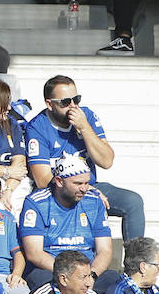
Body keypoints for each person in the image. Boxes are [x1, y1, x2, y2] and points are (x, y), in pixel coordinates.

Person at [24, 75, 144, 242]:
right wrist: (84, 190)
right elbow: (43, 180)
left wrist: (84, 127)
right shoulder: (37, 127)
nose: (73, 106)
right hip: (58, 193)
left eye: (76, 99)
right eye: (65, 102)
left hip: (91, 186)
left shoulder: (86, 116)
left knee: (133, 202)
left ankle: (135, 263)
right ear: (49, 104)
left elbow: (106, 161)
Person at [19, 154, 113, 290]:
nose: (84, 189)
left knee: (114, 280)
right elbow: (34, 253)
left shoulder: (94, 201)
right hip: (52, 270)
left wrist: (90, 275)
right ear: (59, 181)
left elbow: (105, 250)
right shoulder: (37, 203)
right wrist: (71, 276)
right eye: (78, 183)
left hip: (88, 271)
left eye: (87, 183)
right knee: (40, 279)